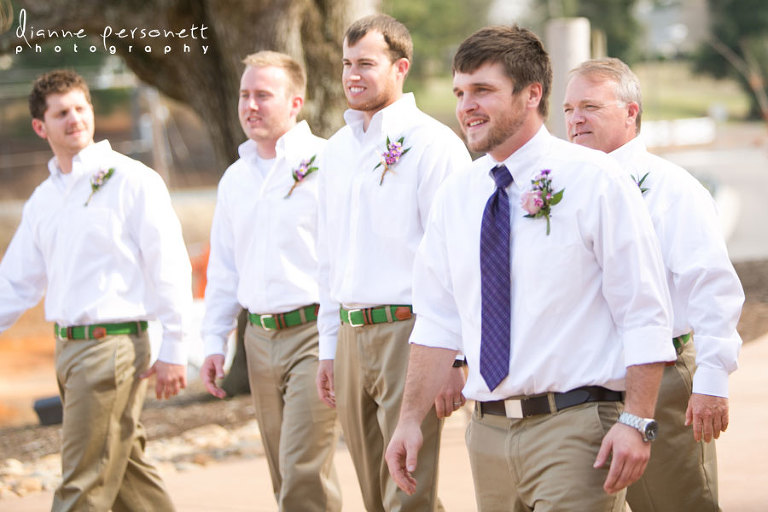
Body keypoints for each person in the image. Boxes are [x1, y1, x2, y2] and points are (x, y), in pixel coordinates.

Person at [385, 25, 676, 511]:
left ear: (531, 94)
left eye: (483, 90)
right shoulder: (456, 195)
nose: (466, 106)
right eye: (460, 93)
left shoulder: (595, 180)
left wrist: (637, 420)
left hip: (576, 429)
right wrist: (409, 419)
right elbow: (437, 319)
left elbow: (643, 310)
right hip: (486, 435)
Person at [0, 69, 192, 511]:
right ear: (40, 127)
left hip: (113, 347)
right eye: (61, 113)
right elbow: (16, 282)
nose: (75, 119)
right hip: (68, 350)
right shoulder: (44, 199)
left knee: (82, 483)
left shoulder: (132, 179)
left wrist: (176, 345)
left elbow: (168, 265)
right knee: (125, 471)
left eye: (80, 108)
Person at [563, 57, 744, 512]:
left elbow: (711, 285)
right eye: (567, 109)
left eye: (590, 106)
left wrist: (712, 378)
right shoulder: (559, 190)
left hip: (662, 382)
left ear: (631, 112)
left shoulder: (673, 189)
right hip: (580, 388)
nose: (575, 119)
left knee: (677, 505)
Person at [314, 14, 472, 512]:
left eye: (366, 63)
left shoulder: (434, 144)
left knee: (408, 491)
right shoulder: (335, 151)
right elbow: (328, 257)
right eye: (346, 64)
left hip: (411, 334)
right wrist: (327, 346)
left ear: (400, 67)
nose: (352, 75)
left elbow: (456, 257)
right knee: (374, 493)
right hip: (349, 335)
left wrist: (456, 356)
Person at [199, 51, 341, 512]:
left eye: (263, 95)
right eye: (245, 95)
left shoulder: (328, 161)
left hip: (313, 334)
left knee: (302, 468)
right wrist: (215, 341)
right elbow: (224, 269)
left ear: (295, 102)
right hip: (258, 338)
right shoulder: (235, 179)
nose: (250, 105)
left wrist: (335, 339)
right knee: (284, 471)